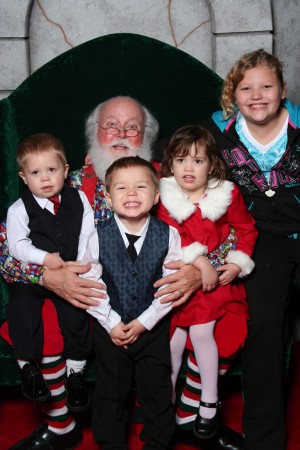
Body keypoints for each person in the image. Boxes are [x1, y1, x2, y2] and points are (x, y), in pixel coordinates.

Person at [0, 96, 203, 450]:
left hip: (149, 299)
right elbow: (6, 249)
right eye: (111, 126)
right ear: (94, 135)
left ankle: (191, 416)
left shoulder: (168, 181)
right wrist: (48, 277)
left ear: (147, 137)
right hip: (94, 300)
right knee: (43, 316)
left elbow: (212, 230)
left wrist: (200, 270)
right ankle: (60, 422)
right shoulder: (65, 180)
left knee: (204, 314)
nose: (121, 134)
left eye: (132, 127)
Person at [202, 49, 300, 450]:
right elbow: (182, 169)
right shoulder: (216, 133)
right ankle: (264, 440)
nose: (257, 95)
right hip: (260, 242)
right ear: (233, 93)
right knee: (263, 327)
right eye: (246, 88)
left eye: (266, 86)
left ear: (281, 90)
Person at [156, 125, 257, 440]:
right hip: (178, 281)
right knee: (170, 343)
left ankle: (208, 402)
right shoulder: (165, 196)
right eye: (181, 160)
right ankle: (166, 406)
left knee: (202, 331)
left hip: (218, 287)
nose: (189, 168)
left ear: (212, 165)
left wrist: (236, 263)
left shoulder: (226, 194)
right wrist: (200, 262)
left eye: (198, 161)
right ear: (170, 163)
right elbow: (169, 240)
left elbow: (246, 229)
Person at [90, 156, 182, 449]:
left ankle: (158, 442)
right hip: (109, 329)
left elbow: (171, 288)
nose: (131, 194)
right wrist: (112, 323)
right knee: (110, 394)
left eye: (140, 187)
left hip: (152, 329)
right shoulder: (94, 235)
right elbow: (90, 286)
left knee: (157, 391)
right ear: (107, 196)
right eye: (121, 188)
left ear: (156, 196)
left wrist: (144, 323)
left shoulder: (169, 235)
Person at [6, 133, 97, 410]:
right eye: (36, 172)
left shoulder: (79, 198)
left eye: (52, 170)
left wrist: (80, 265)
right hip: (34, 275)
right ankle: (27, 367)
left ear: (65, 171)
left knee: (75, 311)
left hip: (71, 270)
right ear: (23, 177)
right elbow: (16, 246)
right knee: (22, 305)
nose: (45, 178)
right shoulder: (19, 209)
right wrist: (45, 259)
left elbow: (87, 234)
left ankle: (76, 372)